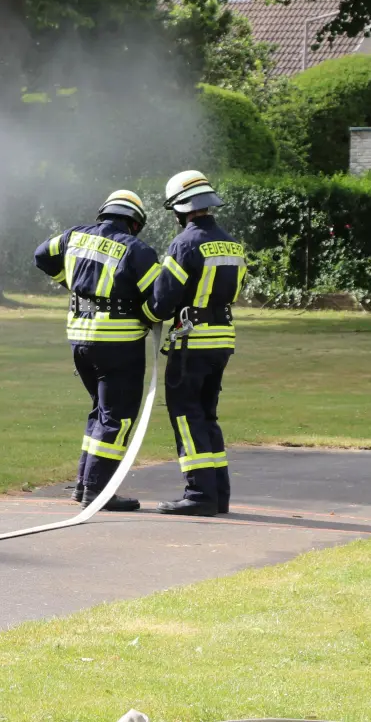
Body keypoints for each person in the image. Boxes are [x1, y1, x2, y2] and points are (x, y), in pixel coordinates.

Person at [34, 190, 165, 511]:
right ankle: (99, 490)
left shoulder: (74, 236)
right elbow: (158, 300)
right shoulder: (137, 250)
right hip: (118, 343)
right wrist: (149, 317)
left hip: (79, 339)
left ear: (104, 213)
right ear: (135, 223)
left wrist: (72, 282)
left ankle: (84, 484)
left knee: (101, 412)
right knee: (117, 417)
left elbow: (41, 255)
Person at [151, 170, 246, 517]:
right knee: (206, 415)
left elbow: (162, 301)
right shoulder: (232, 243)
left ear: (180, 209)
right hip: (222, 339)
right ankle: (218, 494)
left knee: (187, 416)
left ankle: (198, 494)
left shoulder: (184, 244)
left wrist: (146, 312)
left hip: (191, 343)